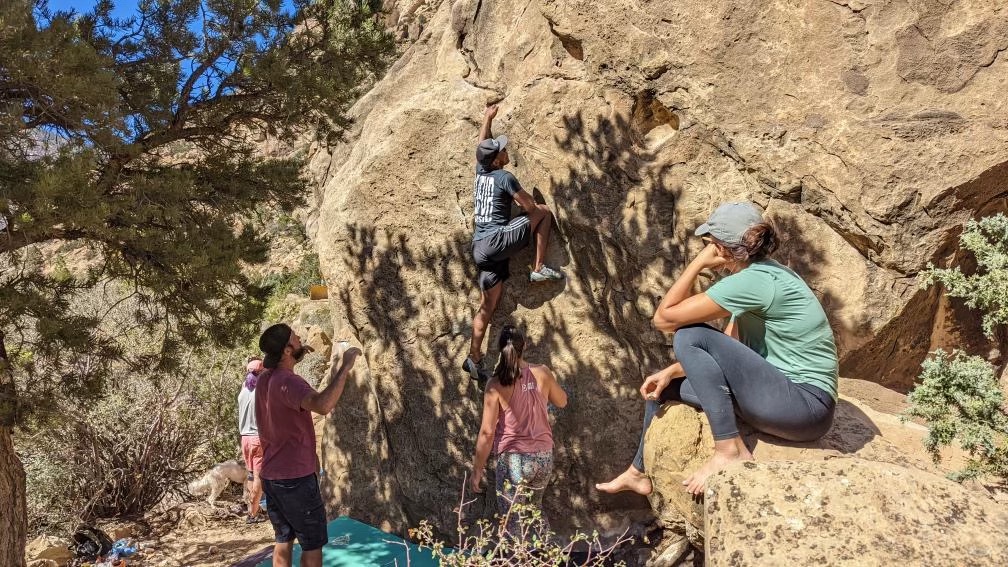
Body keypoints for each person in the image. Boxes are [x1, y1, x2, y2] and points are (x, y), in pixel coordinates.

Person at [596, 201, 838, 496]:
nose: (707, 248)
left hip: (805, 406)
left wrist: (696, 264)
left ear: (721, 248)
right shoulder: (763, 275)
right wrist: (671, 372)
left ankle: (728, 449)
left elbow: (664, 319)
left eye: (709, 242)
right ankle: (637, 473)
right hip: (783, 401)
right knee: (664, 389)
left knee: (688, 335)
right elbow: (730, 346)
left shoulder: (755, 281)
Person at [462, 105, 564, 384]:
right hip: (496, 240)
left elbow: (481, 146)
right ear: (497, 161)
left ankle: (473, 358)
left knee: (487, 306)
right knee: (544, 212)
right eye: (503, 151)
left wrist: (487, 118)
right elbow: (529, 206)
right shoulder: (504, 177)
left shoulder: (481, 171)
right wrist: (523, 200)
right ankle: (539, 267)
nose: (508, 152)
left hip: (481, 248)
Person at [255, 324, 362, 567]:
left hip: (272, 475)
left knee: (283, 539)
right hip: (295, 478)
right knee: (312, 544)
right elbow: (323, 405)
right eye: (295, 338)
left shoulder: (264, 379)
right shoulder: (289, 382)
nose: (300, 338)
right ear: (286, 350)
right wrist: (345, 366)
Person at [470, 325, 567, 534]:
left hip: (514, 460)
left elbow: (487, 432)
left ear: (500, 350)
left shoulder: (495, 385)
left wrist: (477, 469)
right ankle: (548, 559)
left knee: (512, 523)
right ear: (525, 347)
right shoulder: (542, 372)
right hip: (543, 457)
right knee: (535, 511)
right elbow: (562, 401)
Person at [237, 357, 266, 523]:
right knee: (258, 477)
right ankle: (253, 514)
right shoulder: (260, 390)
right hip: (257, 438)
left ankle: (251, 509)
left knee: (250, 475)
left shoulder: (244, 389)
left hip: (245, 439)